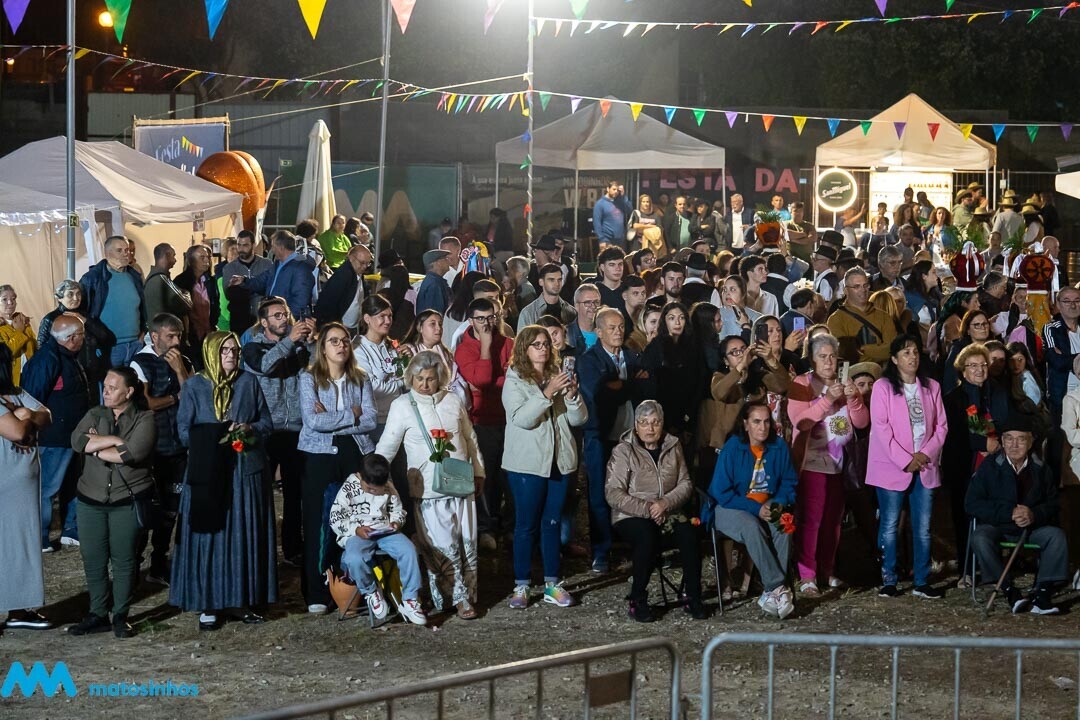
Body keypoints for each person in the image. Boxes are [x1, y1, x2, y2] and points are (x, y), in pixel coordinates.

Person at [170, 332, 275, 630]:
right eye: (224, 350)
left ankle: (241, 599)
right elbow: (183, 432)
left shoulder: (248, 382)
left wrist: (248, 428)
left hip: (243, 470)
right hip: (208, 471)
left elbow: (267, 423)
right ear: (211, 353)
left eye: (235, 350)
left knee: (242, 534)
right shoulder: (194, 386)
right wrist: (214, 435)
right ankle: (210, 602)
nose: (231, 355)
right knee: (210, 538)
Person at [375, 351, 484, 619]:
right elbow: (387, 446)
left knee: (466, 542)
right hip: (428, 489)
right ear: (411, 377)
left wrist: (479, 471)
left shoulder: (453, 400)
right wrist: (374, 478)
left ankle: (467, 594)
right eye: (419, 378)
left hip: (461, 483)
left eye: (431, 379)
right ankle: (456, 598)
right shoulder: (402, 405)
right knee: (441, 545)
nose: (425, 384)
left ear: (440, 378)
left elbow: (469, 437)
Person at [502, 325, 587, 609]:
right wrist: (547, 393)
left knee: (551, 523)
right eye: (536, 344)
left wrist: (572, 396)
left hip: (558, 461)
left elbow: (578, 419)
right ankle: (522, 584)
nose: (543, 349)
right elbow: (522, 419)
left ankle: (552, 583)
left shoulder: (557, 376)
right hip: (527, 464)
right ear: (524, 349)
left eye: (546, 344)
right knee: (526, 525)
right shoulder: (514, 380)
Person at [68, 366, 154, 638]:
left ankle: (120, 615)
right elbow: (77, 441)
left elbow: (132, 454)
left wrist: (96, 446)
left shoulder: (145, 418)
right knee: (93, 559)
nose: (105, 391)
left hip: (125, 500)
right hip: (90, 498)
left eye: (112, 388)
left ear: (128, 392)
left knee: (124, 559)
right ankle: (97, 613)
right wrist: (115, 440)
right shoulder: (95, 413)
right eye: (105, 386)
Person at [298, 322, 376, 614]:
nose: (341, 345)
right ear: (323, 348)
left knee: (355, 517)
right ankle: (317, 591)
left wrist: (333, 417)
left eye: (344, 341)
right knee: (318, 521)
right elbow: (312, 421)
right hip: (319, 455)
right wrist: (350, 414)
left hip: (354, 452)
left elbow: (370, 419)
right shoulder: (309, 378)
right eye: (334, 341)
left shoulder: (360, 378)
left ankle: (352, 586)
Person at [605, 400, 704, 622]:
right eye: (644, 423)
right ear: (636, 426)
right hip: (631, 513)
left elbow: (685, 483)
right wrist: (649, 509)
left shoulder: (673, 446)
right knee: (646, 536)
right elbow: (613, 493)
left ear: (662, 424)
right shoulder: (623, 450)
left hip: (668, 510)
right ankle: (638, 598)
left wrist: (665, 504)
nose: (650, 428)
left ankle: (693, 596)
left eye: (655, 422)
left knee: (689, 534)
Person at [787, 333, 869, 596]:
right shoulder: (802, 383)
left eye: (832, 356)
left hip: (838, 462)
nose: (828, 361)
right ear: (812, 359)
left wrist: (854, 399)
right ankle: (807, 574)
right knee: (812, 519)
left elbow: (861, 422)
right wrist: (827, 401)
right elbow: (800, 421)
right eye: (822, 356)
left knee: (833, 519)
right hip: (810, 461)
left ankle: (827, 569)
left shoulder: (844, 383)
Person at [867, 335, 948, 599]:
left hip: (924, 465)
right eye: (905, 353)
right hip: (892, 467)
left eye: (914, 351)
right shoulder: (882, 387)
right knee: (890, 525)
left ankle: (921, 580)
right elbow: (881, 428)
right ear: (894, 359)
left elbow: (941, 427)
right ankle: (889, 578)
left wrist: (924, 454)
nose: (912, 357)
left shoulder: (932, 387)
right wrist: (905, 460)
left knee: (923, 527)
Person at [966, 415, 1067, 615]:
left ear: (1030, 442)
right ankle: (1009, 591)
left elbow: (1053, 503)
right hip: (998, 526)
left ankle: (1042, 594)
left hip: (1031, 528)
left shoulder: (1041, 468)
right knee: (979, 537)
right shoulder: (989, 467)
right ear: (1002, 441)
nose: (1014, 445)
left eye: (1021, 439)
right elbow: (972, 503)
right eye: (1009, 438)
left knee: (1056, 536)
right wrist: (1009, 513)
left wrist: (1033, 514)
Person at [706, 401, 798, 619]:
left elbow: (789, 482)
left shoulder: (778, 447)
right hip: (732, 506)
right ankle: (778, 587)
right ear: (746, 424)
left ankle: (771, 594)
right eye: (756, 422)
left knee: (784, 524)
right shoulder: (733, 447)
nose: (762, 427)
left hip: (768, 504)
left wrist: (778, 502)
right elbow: (721, 491)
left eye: (766, 422)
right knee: (751, 526)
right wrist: (755, 508)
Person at [243, 298, 314, 565]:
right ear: (264, 322)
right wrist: (289, 343)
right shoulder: (253, 347)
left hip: (295, 427)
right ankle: (261, 552)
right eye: (276, 316)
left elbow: (318, 367)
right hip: (267, 429)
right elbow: (264, 366)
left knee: (295, 493)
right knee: (262, 494)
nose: (283, 319)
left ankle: (293, 549)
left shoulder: (298, 346)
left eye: (285, 314)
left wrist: (312, 342)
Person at [128, 313, 193, 583]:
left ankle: (159, 563)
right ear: (154, 337)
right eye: (171, 336)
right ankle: (132, 568)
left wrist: (179, 371)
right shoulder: (140, 363)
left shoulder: (183, 361)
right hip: (152, 448)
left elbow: (194, 396)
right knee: (146, 510)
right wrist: (175, 397)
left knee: (171, 509)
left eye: (179, 335)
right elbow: (145, 403)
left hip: (178, 446)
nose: (176, 341)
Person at [942, 342, 1013, 582]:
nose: (979, 370)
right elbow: (956, 435)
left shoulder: (998, 392)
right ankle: (967, 569)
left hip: (995, 462)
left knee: (992, 515)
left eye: (983, 364)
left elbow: (1006, 422)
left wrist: (996, 441)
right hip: (965, 465)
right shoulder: (954, 399)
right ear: (963, 371)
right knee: (964, 518)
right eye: (973, 366)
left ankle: (993, 567)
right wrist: (983, 443)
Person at [578, 307, 641, 573]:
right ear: (599, 332)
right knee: (599, 493)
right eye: (612, 328)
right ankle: (601, 551)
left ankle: (631, 543)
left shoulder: (632, 356)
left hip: (631, 436)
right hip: (600, 436)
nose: (618, 332)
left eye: (621, 327)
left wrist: (618, 386)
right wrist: (630, 385)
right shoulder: (588, 361)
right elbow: (599, 394)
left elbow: (646, 388)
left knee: (632, 490)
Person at [329, 453, 427, 625]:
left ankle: (410, 598)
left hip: (385, 531)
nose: (374, 492)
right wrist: (355, 529)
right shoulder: (349, 487)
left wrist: (396, 522)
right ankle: (371, 590)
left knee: (409, 550)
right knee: (354, 558)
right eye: (370, 489)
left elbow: (398, 510)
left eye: (377, 490)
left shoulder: (388, 486)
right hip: (359, 533)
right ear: (361, 477)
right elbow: (336, 517)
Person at [22, 313, 89, 551]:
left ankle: (70, 529)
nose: (84, 339)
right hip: (54, 438)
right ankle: (40, 536)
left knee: (73, 483)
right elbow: (31, 399)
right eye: (81, 335)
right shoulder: (47, 361)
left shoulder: (67, 356)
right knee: (48, 488)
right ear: (70, 338)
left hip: (71, 436)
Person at [0, 345, 54, 631]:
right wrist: (26, 420)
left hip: (22, 488)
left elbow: (47, 415)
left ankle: (19, 608)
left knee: (22, 546)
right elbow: (17, 432)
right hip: (5, 487)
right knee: (6, 546)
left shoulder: (17, 394)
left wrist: (27, 415)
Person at [455, 297, 514, 549]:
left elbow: (513, 379)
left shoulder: (509, 343)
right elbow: (482, 380)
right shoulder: (464, 349)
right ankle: (486, 527)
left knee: (509, 476)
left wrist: (494, 381)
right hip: (482, 421)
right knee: (486, 477)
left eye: (491, 317)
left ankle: (509, 525)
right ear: (471, 321)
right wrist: (486, 347)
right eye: (481, 319)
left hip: (509, 419)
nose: (487, 323)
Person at [79, 236, 147, 369]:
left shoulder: (134, 276)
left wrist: (143, 332)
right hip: (109, 348)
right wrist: (95, 342)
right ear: (107, 253)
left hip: (135, 345)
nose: (126, 254)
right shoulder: (93, 278)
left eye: (127, 250)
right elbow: (83, 312)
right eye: (119, 250)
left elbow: (143, 307)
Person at [640, 302, 703, 440]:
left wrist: (689, 414)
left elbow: (699, 381)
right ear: (665, 321)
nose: (677, 322)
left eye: (681, 317)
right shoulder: (655, 347)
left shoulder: (693, 347)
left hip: (687, 413)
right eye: (672, 318)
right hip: (661, 415)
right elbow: (648, 383)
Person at [233, 230, 316, 322]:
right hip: (275, 320)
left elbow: (300, 301)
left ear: (281, 248)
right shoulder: (277, 265)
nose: (272, 250)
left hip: (286, 324)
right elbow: (261, 281)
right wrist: (244, 280)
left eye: (273, 246)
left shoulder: (301, 269)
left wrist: (285, 321)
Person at [827, 267, 898, 364]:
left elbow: (892, 349)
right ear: (846, 290)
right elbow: (845, 355)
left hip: (883, 372)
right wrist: (879, 350)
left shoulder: (883, 316)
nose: (863, 290)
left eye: (865, 285)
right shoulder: (836, 320)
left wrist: (863, 349)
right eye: (856, 287)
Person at [404, 310, 469, 405]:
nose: (438, 328)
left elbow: (455, 377)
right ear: (420, 328)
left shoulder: (445, 353)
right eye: (432, 324)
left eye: (440, 324)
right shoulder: (409, 351)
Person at [174, 245, 219, 367]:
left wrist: (213, 324)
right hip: (190, 335)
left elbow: (215, 305)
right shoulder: (181, 281)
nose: (207, 260)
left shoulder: (210, 281)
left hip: (208, 333)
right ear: (191, 260)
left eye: (208, 257)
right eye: (202, 257)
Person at [314, 244, 372, 331]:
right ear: (351, 258)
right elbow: (329, 303)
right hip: (342, 328)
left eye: (368, 263)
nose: (365, 267)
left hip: (352, 327)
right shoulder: (343, 276)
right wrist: (335, 327)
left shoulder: (357, 272)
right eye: (362, 263)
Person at [1043, 286, 1080, 420]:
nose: (1073, 305)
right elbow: (1056, 360)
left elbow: (1062, 359)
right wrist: (1076, 360)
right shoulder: (1051, 328)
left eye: (1077, 300)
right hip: (1063, 396)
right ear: (1058, 305)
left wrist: (1067, 358)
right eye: (1067, 301)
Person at [942, 309, 993, 392]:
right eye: (977, 325)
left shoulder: (995, 346)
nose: (982, 327)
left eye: (985, 324)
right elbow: (950, 379)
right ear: (968, 330)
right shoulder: (958, 349)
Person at [517, 262, 576, 332]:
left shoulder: (571, 311)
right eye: (551, 280)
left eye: (559, 280)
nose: (557, 284)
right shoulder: (528, 313)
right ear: (541, 282)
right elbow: (523, 338)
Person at [0, 284, 37, 386]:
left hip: (29, 375)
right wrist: (19, 332)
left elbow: (34, 347)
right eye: (4, 299)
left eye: (13, 299)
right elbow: (6, 354)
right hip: (9, 380)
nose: (10, 302)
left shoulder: (22, 321)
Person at [590, 246, 628, 319]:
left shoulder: (628, 290)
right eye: (612, 265)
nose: (618, 269)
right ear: (602, 267)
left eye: (620, 264)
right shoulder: (594, 292)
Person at [593, 181, 632, 250]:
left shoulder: (620, 202)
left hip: (620, 239)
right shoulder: (600, 203)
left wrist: (623, 196)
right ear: (608, 189)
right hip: (607, 239)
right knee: (608, 256)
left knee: (620, 257)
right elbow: (597, 223)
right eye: (614, 189)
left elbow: (629, 210)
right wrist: (601, 239)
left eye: (617, 190)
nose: (616, 191)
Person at [416, 249, 454, 316]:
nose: (448, 261)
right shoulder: (434, 284)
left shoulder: (433, 281)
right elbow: (435, 314)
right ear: (438, 262)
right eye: (445, 259)